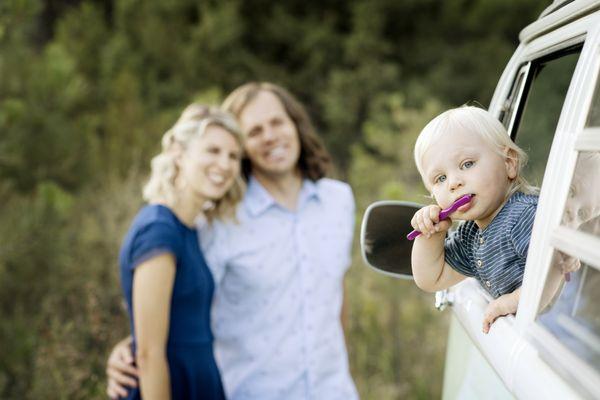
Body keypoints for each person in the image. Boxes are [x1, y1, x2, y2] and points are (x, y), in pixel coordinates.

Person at [107, 82, 358, 400]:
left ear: (295, 123)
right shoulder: (218, 220)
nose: (269, 136)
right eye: (254, 131)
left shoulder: (339, 201)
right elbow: (178, 302)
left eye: (277, 122)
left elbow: (338, 289)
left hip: (333, 391)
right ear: (245, 150)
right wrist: (132, 349)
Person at [114, 105, 244, 399]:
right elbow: (148, 353)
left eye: (233, 156)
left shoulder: (191, 230)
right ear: (178, 151)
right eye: (213, 150)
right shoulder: (159, 230)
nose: (224, 164)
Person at [409, 105, 538, 334]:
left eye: (467, 164)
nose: (453, 183)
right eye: (440, 178)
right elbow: (431, 279)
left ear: (509, 163)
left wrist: (515, 300)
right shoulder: (471, 236)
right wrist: (431, 234)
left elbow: (556, 272)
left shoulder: (523, 216)